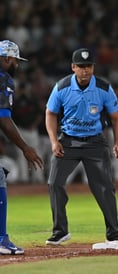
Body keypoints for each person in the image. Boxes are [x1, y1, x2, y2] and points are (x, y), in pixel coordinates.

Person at [45, 48, 118, 245]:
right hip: (68, 141)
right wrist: (54, 141)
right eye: (80, 66)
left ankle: (113, 233)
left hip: (95, 143)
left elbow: (116, 117)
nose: (84, 70)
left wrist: (117, 143)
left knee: (104, 187)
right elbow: (50, 114)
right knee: (54, 183)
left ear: (93, 68)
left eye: (88, 66)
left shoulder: (104, 88)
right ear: (73, 67)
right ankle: (60, 231)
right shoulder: (61, 87)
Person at [0, 40, 44, 255]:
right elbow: (4, 119)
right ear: (7, 58)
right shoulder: (3, 79)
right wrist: (25, 147)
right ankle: (1, 239)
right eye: (15, 60)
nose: (16, 65)